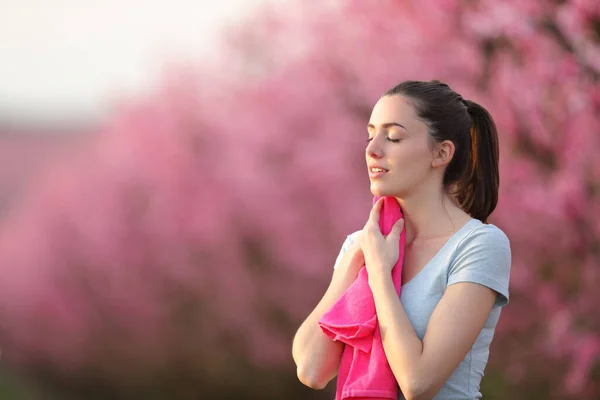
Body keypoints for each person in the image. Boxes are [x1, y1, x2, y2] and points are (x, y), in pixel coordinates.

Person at [291, 80, 512, 400]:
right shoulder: (363, 243)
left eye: (393, 137)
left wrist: (380, 274)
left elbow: (418, 383)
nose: (372, 149)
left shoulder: (478, 245)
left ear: (441, 153)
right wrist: (354, 264)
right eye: (370, 135)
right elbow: (312, 370)